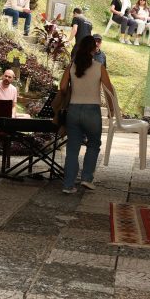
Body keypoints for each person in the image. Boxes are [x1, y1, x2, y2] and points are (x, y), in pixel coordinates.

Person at [60, 35, 114, 193]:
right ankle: (86, 178)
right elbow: (109, 89)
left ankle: (68, 185)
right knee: (94, 144)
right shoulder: (99, 67)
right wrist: (111, 110)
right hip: (92, 111)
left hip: (74, 110)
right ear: (94, 49)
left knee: (72, 147)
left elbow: (62, 88)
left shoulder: (71, 67)